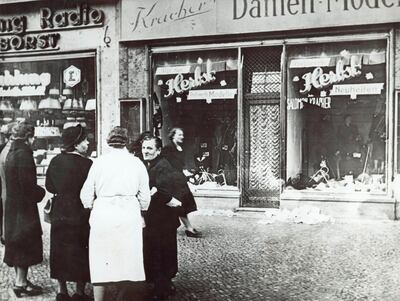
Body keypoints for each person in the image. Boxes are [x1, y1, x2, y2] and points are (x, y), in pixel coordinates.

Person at [80, 126, 151, 301]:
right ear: (126, 141)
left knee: (101, 258)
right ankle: (121, 297)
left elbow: (86, 194)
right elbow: (145, 196)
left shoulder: (99, 163)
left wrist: (91, 207)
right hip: (128, 213)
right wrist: (142, 210)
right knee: (127, 258)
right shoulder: (136, 163)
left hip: (104, 213)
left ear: (108, 142)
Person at [45, 125, 93, 301]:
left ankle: (62, 290)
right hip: (81, 211)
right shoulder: (88, 164)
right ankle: (80, 292)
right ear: (76, 143)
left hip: (60, 210)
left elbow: (49, 186)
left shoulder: (55, 161)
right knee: (81, 248)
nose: (87, 143)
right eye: (85, 141)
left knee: (59, 248)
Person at [3, 121, 45, 297]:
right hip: (24, 209)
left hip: (13, 207)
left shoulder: (11, 153)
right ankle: (21, 284)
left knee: (19, 243)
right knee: (25, 244)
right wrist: (41, 193)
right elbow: (28, 186)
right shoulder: (24, 155)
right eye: (32, 136)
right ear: (29, 137)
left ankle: (21, 281)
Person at [142, 136, 184, 300]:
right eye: (144, 147)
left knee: (160, 251)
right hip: (158, 218)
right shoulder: (153, 164)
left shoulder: (162, 166)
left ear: (158, 151)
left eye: (149, 148)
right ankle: (162, 284)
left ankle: (162, 287)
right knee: (158, 251)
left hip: (162, 219)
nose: (145, 151)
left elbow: (164, 191)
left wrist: (152, 193)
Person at [162, 127, 201, 238]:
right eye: (179, 135)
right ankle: (189, 228)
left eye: (182, 135)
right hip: (173, 181)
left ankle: (188, 227)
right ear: (173, 135)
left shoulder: (180, 148)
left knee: (183, 204)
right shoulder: (168, 148)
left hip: (180, 179)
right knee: (180, 205)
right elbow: (165, 164)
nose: (182, 137)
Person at [0, 122, 16, 245]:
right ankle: (7, 235)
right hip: (10, 186)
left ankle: (5, 234)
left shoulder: (4, 149)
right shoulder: (11, 151)